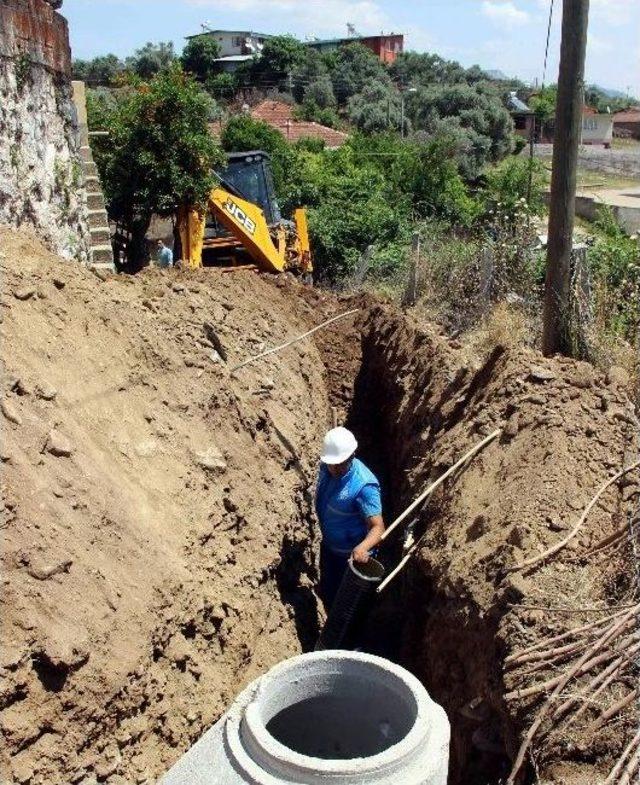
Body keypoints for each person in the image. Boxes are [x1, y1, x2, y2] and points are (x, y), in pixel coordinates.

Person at [315, 427, 385, 611]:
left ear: (352, 456)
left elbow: (377, 527)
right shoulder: (327, 466)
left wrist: (362, 548)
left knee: (348, 607)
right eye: (331, 463)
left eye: (340, 464)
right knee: (329, 595)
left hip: (350, 561)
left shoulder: (364, 486)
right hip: (329, 550)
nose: (334, 468)